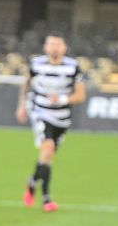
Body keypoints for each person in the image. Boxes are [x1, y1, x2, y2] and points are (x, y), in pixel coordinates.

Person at [15, 32, 86, 212]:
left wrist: (61, 99)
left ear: (64, 47)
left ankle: (32, 181)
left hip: (62, 118)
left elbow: (80, 95)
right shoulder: (36, 64)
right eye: (51, 44)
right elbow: (26, 83)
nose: (54, 48)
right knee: (47, 149)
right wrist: (22, 105)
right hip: (40, 112)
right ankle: (46, 198)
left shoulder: (73, 67)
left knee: (46, 157)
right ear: (46, 47)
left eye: (58, 44)